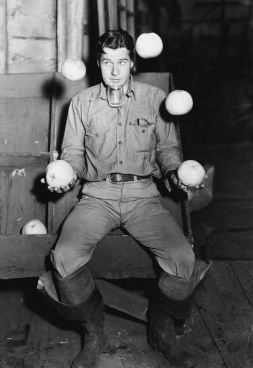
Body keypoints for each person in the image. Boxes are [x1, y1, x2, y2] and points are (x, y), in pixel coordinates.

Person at [38, 29, 210, 368]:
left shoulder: (155, 98)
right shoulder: (82, 103)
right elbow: (72, 153)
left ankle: (159, 327)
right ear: (98, 64)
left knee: (183, 260)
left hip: (143, 195)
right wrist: (64, 175)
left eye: (122, 62)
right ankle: (93, 331)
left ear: (132, 63)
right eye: (107, 63)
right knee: (64, 257)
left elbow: (168, 151)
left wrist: (176, 175)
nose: (114, 71)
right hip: (97, 196)